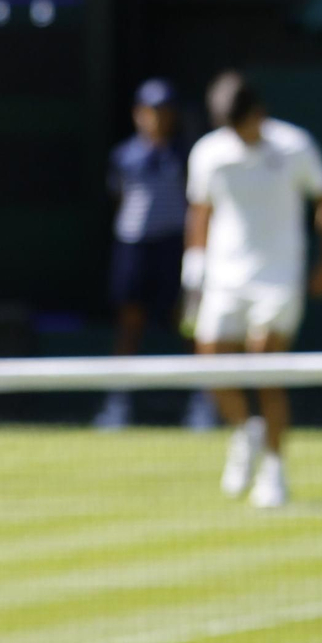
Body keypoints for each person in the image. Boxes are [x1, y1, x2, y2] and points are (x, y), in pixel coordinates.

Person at [185, 71, 322, 507]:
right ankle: (246, 431)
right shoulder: (208, 153)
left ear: (259, 113)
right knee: (210, 370)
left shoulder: (295, 146)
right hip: (223, 279)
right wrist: (193, 278)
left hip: (278, 278)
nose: (238, 134)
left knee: (266, 366)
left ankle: (274, 471)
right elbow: (200, 213)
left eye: (244, 123)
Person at [95, 79, 217, 430]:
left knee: (189, 325)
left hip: (174, 248)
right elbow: (119, 199)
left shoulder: (188, 156)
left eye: (164, 112)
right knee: (129, 326)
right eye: (150, 112)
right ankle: (117, 404)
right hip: (133, 248)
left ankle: (203, 403)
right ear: (138, 114)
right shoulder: (123, 157)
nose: (157, 119)